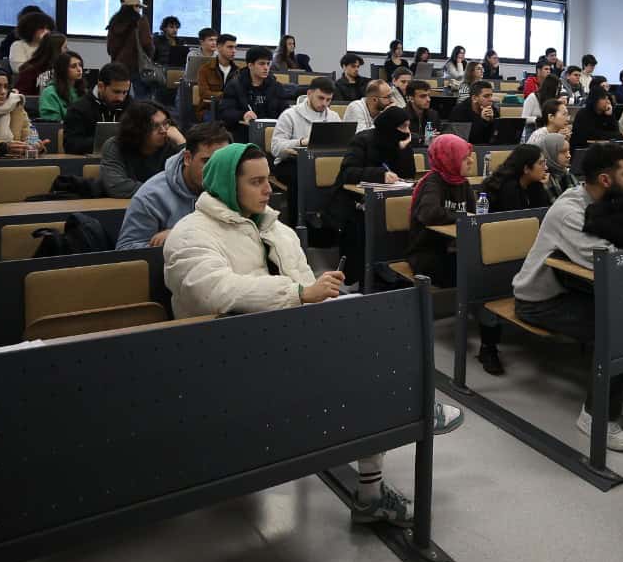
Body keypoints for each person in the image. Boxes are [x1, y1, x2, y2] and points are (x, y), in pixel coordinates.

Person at [164, 143, 441, 527]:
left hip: (284, 341)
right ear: (227, 185)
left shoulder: (275, 229)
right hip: (222, 355)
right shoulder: (191, 234)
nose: (268, 189)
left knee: (368, 344)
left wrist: (318, 295)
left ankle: (374, 482)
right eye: (256, 182)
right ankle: (400, 415)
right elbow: (216, 292)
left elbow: (305, 286)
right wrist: (298, 294)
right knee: (362, 376)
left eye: (267, 180)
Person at [512, 144, 623, 451]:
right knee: (619, 327)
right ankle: (596, 416)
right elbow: (607, 258)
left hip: (575, 289)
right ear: (605, 179)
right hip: (540, 300)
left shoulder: (609, 200)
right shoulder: (570, 211)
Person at [407, 134, 504, 373]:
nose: (471, 161)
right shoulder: (433, 182)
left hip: (455, 251)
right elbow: (429, 213)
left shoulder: (463, 183)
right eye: (464, 157)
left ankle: (489, 345)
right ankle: (487, 344)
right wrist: (461, 218)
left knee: (488, 275)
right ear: (449, 159)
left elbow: (473, 218)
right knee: (477, 278)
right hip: (427, 254)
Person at [328, 106, 416, 286]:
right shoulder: (362, 140)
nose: (407, 131)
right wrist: (379, 175)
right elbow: (348, 173)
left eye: (408, 126)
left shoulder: (399, 142)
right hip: (353, 201)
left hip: (388, 200)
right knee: (362, 223)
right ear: (390, 126)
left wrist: (404, 150)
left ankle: (393, 273)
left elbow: (408, 174)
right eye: (403, 127)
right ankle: (366, 276)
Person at [116, 122, 233, 249]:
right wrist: (173, 241)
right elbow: (126, 249)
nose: (215, 171)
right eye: (207, 162)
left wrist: (183, 234)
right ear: (187, 158)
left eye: (222, 163)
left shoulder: (235, 187)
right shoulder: (151, 196)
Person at [270, 76, 341, 199]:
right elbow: (276, 148)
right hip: (291, 163)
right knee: (301, 176)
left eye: (328, 100)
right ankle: (298, 212)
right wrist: (301, 142)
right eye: (321, 98)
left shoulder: (333, 117)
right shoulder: (289, 115)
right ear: (309, 94)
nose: (324, 103)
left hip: (323, 162)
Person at [100, 101, 185, 198]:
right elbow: (117, 187)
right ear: (137, 129)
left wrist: (182, 143)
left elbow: (191, 182)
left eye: (165, 123)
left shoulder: (172, 144)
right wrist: (166, 190)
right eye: (155, 126)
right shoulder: (115, 146)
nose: (163, 130)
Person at [218, 45, 289, 141]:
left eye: (268, 64)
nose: (266, 68)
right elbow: (225, 112)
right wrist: (243, 115)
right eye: (261, 64)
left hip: (271, 134)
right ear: (250, 65)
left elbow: (285, 110)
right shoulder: (235, 85)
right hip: (243, 133)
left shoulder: (276, 86)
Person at [63, 62, 133, 154]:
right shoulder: (78, 109)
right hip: (90, 160)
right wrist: (109, 143)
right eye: (116, 92)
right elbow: (71, 145)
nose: (121, 98)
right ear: (101, 86)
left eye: (125, 92)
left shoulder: (131, 106)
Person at [105, 0, 153, 92]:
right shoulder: (140, 21)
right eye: (139, 7)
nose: (139, 10)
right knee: (141, 97)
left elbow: (110, 49)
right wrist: (149, 57)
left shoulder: (114, 22)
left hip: (117, 66)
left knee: (120, 94)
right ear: (134, 7)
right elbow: (147, 44)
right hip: (137, 66)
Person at [482, 143, 550, 212]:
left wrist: (539, 185)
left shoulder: (530, 183)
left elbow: (541, 213)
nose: (546, 167)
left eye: (545, 162)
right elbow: (525, 217)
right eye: (540, 163)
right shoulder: (508, 187)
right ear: (526, 169)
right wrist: (539, 187)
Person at [37, 50, 87, 122]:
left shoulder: (84, 92)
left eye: (80, 65)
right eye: (73, 66)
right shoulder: (49, 93)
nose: (79, 69)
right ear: (62, 69)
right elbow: (52, 124)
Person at [196, 32, 238, 118]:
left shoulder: (238, 71)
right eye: (230, 47)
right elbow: (204, 93)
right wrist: (226, 95)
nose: (234, 51)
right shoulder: (205, 69)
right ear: (219, 47)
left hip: (231, 110)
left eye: (235, 47)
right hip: (209, 109)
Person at [570, 86, 622, 153]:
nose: (607, 102)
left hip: (602, 149)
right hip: (583, 150)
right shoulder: (583, 114)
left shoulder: (606, 113)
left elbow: (616, 132)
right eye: (604, 98)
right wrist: (619, 135)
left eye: (607, 98)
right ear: (595, 100)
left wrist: (610, 116)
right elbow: (594, 135)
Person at [15, 31, 67, 96]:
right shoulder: (30, 71)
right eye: (65, 47)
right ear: (56, 50)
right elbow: (21, 95)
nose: (67, 51)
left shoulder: (62, 68)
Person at [450, 80, 499, 145]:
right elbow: (464, 139)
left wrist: (491, 121)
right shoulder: (459, 111)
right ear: (474, 98)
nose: (490, 99)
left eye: (491, 96)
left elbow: (496, 138)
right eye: (486, 96)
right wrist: (483, 121)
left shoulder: (493, 110)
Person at [536, 131, 577, 202]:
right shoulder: (543, 177)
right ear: (550, 153)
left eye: (568, 151)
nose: (568, 156)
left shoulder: (566, 172)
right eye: (563, 152)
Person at [403, 79, 438, 144]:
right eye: (423, 96)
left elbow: (437, 135)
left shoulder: (433, 114)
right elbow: (403, 137)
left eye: (429, 95)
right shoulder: (401, 116)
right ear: (411, 98)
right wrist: (423, 138)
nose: (428, 99)